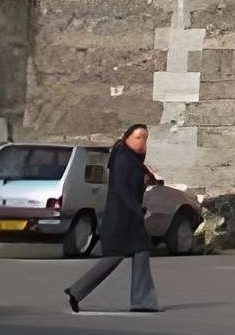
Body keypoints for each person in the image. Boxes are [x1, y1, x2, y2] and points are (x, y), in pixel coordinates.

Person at [62, 125, 163, 313]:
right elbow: (120, 188)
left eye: (145, 139)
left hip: (130, 219)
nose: (142, 142)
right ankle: (76, 291)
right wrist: (136, 208)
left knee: (141, 252)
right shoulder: (122, 158)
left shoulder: (132, 159)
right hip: (120, 219)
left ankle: (143, 301)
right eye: (138, 137)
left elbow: (133, 187)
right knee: (113, 258)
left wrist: (145, 183)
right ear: (126, 138)